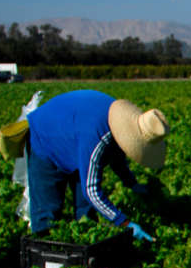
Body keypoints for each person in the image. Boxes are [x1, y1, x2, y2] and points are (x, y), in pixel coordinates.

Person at [21, 89, 166, 240]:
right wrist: (124, 222)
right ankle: (47, 258)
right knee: (47, 215)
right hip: (46, 137)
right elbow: (91, 190)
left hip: (74, 136)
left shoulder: (119, 124)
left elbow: (117, 156)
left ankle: (84, 253)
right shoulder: (98, 136)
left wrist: (131, 183)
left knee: (86, 215)